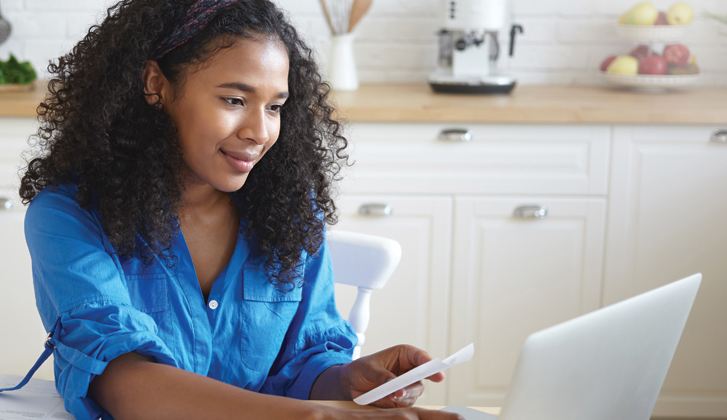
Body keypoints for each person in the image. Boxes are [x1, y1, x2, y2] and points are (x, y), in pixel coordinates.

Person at [15, 1, 464, 419]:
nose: (259, 131)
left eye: (274, 107)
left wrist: (348, 381)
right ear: (156, 86)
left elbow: (303, 365)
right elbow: (123, 384)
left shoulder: (288, 212)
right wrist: (318, 415)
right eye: (234, 100)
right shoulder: (68, 215)